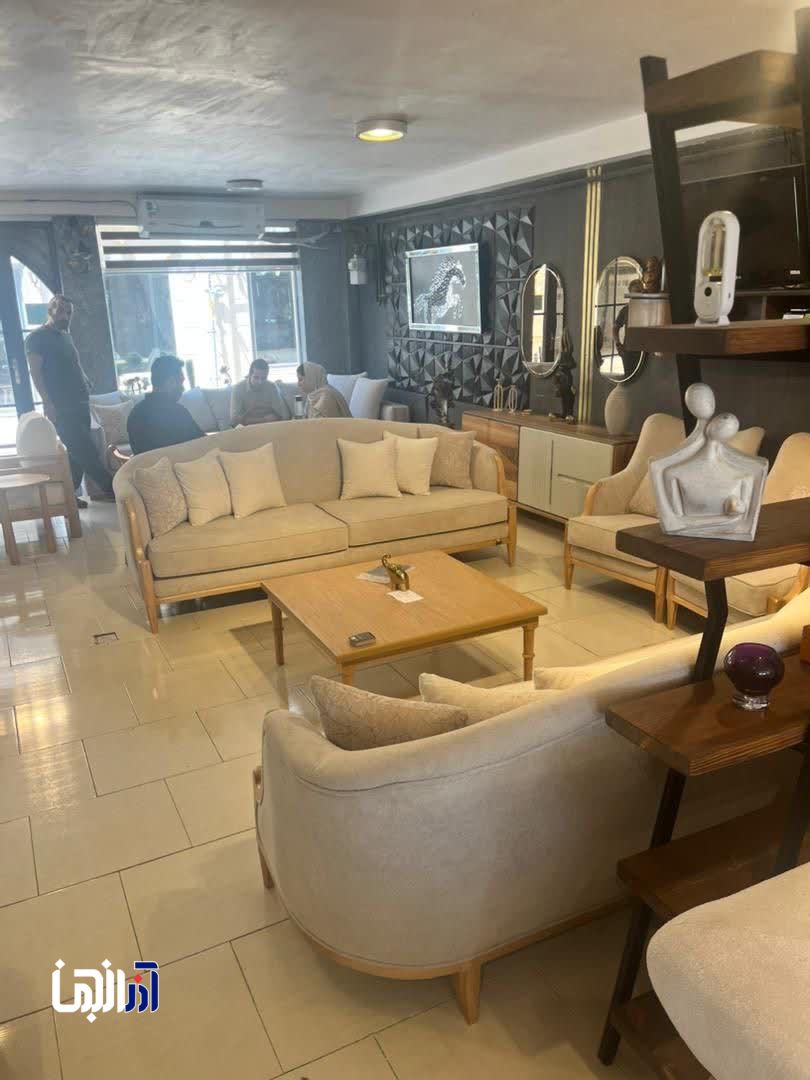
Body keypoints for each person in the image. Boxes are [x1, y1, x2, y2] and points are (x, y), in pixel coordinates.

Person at [25, 294, 114, 504]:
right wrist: (47, 402)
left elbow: (75, 361)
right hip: (61, 405)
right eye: (61, 310)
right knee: (86, 449)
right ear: (51, 310)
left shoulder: (66, 336)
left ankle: (69, 498)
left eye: (69, 312)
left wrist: (85, 379)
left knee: (76, 453)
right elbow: (35, 373)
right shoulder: (36, 338)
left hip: (80, 401)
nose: (66, 316)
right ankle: (113, 489)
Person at [127, 354, 205, 456]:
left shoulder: (135, 414)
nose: (183, 388)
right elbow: (203, 443)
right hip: (178, 465)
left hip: (147, 466)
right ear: (171, 382)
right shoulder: (178, 413)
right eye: (181, 382)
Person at [230, 358, 288, 426]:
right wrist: (264, 420)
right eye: (256, 377)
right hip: (247, 428)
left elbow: (283, 415)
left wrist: (248, 420)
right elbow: (234, 421)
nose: (260, 382)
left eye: (263, 378)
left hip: (269, 427)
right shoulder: (238, 388)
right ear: (249, 375)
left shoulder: (272, 387)